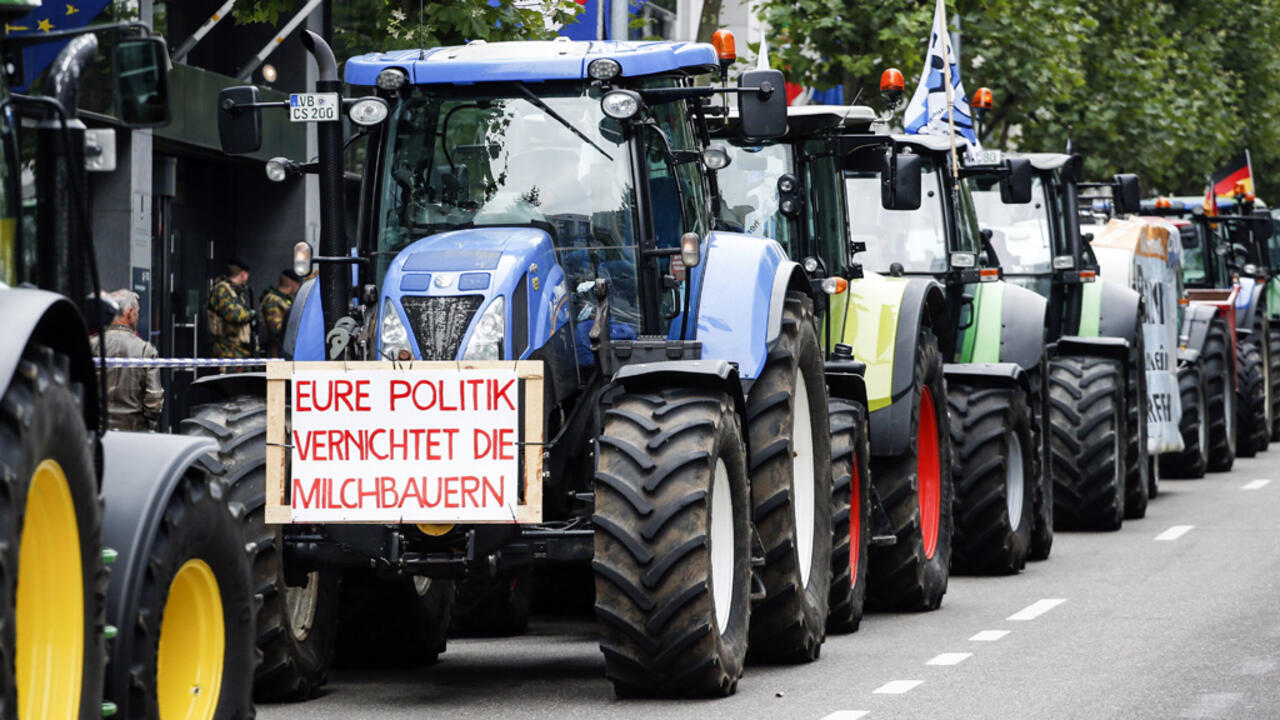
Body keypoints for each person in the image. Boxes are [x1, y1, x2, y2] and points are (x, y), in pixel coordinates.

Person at [89, 289, 164, 431]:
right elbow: (154, 401)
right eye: (137, 312)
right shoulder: (145, 350)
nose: (137, 316)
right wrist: (149, 425)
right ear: (129, 312)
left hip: (98, 431)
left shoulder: (92, 345)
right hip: (133, 432)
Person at [208, 257, 255, 365]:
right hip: (227, 351)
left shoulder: (237, 293)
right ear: (243, 274)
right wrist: (252, 314)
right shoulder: (221, 290)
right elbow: (233, 315)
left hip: (239, 351)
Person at [259, 268, 302, 358]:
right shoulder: (272, 300)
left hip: (284, 350)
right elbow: (276, 329)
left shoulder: (285, 300)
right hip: (276, 353)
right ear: (294, 285)